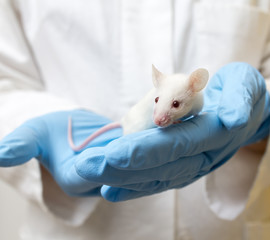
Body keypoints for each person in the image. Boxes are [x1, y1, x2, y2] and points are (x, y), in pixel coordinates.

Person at [0, 0, 270, 239]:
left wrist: (261, 113)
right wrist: (38, 123)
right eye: (159, 103)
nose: (161, 115)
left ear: (197, 85)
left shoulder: (194, 93)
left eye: (176, 105)